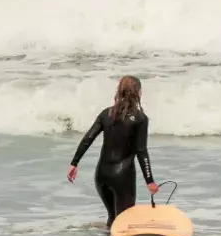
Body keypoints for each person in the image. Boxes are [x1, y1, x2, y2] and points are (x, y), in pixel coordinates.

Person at [67, 75, 158, 226]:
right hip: (122, 177)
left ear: (119, 91)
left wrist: (74, 163)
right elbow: (141, 151)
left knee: (112, 219)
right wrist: (150, 181)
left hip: (102, 175)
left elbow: (88, 138)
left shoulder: (106, 114)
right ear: (138, 93)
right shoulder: (141, 118)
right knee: (123, 222)